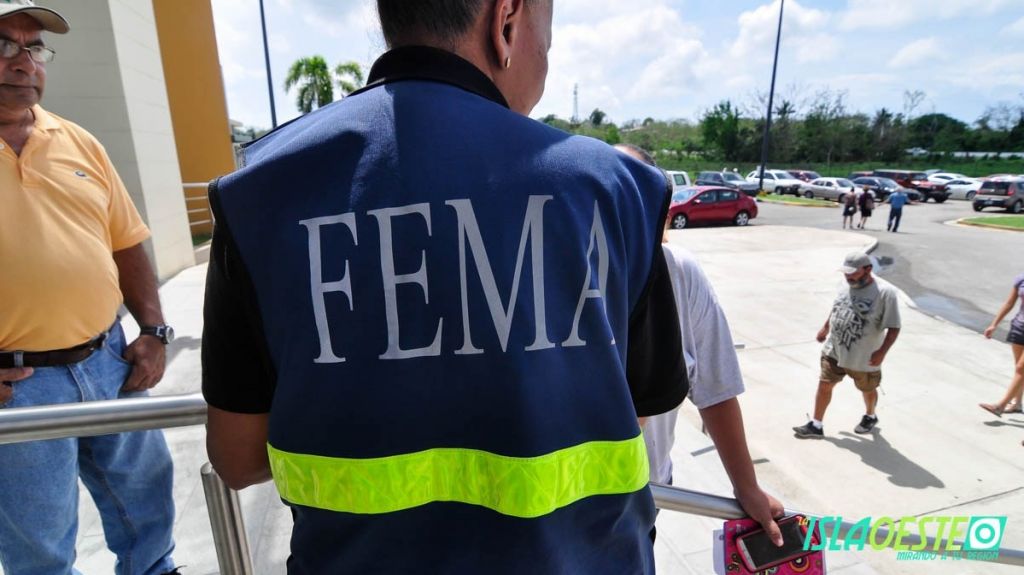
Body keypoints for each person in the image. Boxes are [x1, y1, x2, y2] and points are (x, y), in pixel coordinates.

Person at [202, 1, 688, 573]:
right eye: (548, 40)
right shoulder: (617, 190)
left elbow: (236, 458)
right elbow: (635, 417)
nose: (545, 59)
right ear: (506, 21)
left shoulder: (258, 193)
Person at [0, 2, 178, 574]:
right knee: (39, 547)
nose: (23, 63)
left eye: (34, 48)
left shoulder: (78, 141)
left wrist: (153, 330)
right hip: (18, 387)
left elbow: (127, 242)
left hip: (110, 363)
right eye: (4, 46)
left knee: (147, 511)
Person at [794, 252, 901, 438]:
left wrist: (882, 353)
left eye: (853, 273)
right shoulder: (845, 285)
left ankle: (870, 415)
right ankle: (816, 425)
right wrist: (825, 327)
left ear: (868, 269)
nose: (848, 276)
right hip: (834, 349)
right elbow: (838, 307)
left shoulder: (885, 293)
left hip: (863, 357)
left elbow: (894, 327)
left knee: (867, 389)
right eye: (846, 273)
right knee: (825, 384)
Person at [979, 273, 1024, 417]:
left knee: (1021, 368)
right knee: (1019, 369)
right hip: (1019, 328)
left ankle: (1000, 406)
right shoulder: (1021, 279)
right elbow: (1009, 303)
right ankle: (1017, 404)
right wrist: (994, 324)